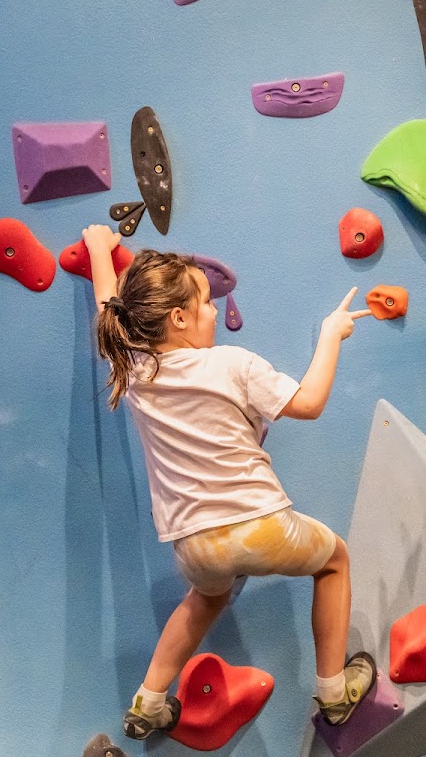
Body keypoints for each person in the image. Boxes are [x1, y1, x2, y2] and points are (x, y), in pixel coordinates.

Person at [80, 225, 376, 739]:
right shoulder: (232, 364)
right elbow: (307, 404)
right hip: (261, 526)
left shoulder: (135, 372)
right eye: (206, 304)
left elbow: (109, 309)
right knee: (334, 562)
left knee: (205, 598)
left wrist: (97, 252)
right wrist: (330, 335)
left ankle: (149, 702)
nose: (215, 311)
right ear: (179, 318)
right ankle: (333, 692)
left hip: (194, 544)